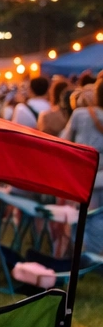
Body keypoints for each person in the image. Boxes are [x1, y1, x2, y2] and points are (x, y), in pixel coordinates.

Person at [59, 76, 103, 255]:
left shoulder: (81, 114)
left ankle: (86, 257)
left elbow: (64, 140)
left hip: (87, 175)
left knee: (85, 217)